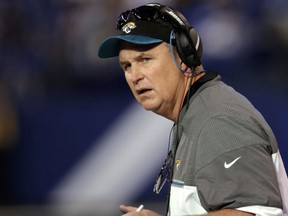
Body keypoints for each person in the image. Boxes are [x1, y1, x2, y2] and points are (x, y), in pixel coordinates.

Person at [98, 3, 288, 216]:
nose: (134, 76)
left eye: (145, 59)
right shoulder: (196, 115)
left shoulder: (218, 120)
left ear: (184, 55)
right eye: (127, 66)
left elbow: (252, 214)